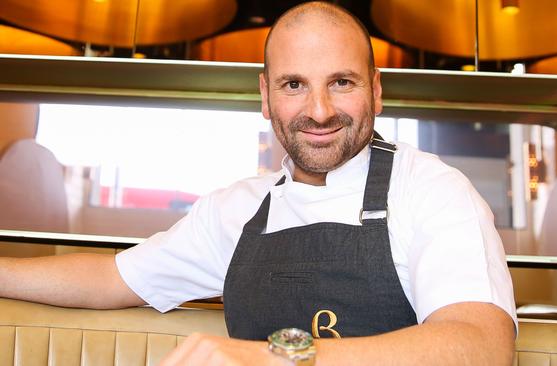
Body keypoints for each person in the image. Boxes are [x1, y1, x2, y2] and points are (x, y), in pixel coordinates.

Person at [0, 2, 516, 365]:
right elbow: (111, 279)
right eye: (295, 85)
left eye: (342, 82)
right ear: (266, 97)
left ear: (376, 92)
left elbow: (481, 348)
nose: (319, 111)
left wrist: (278, 360)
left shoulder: (432, 190)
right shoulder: (236, 210)